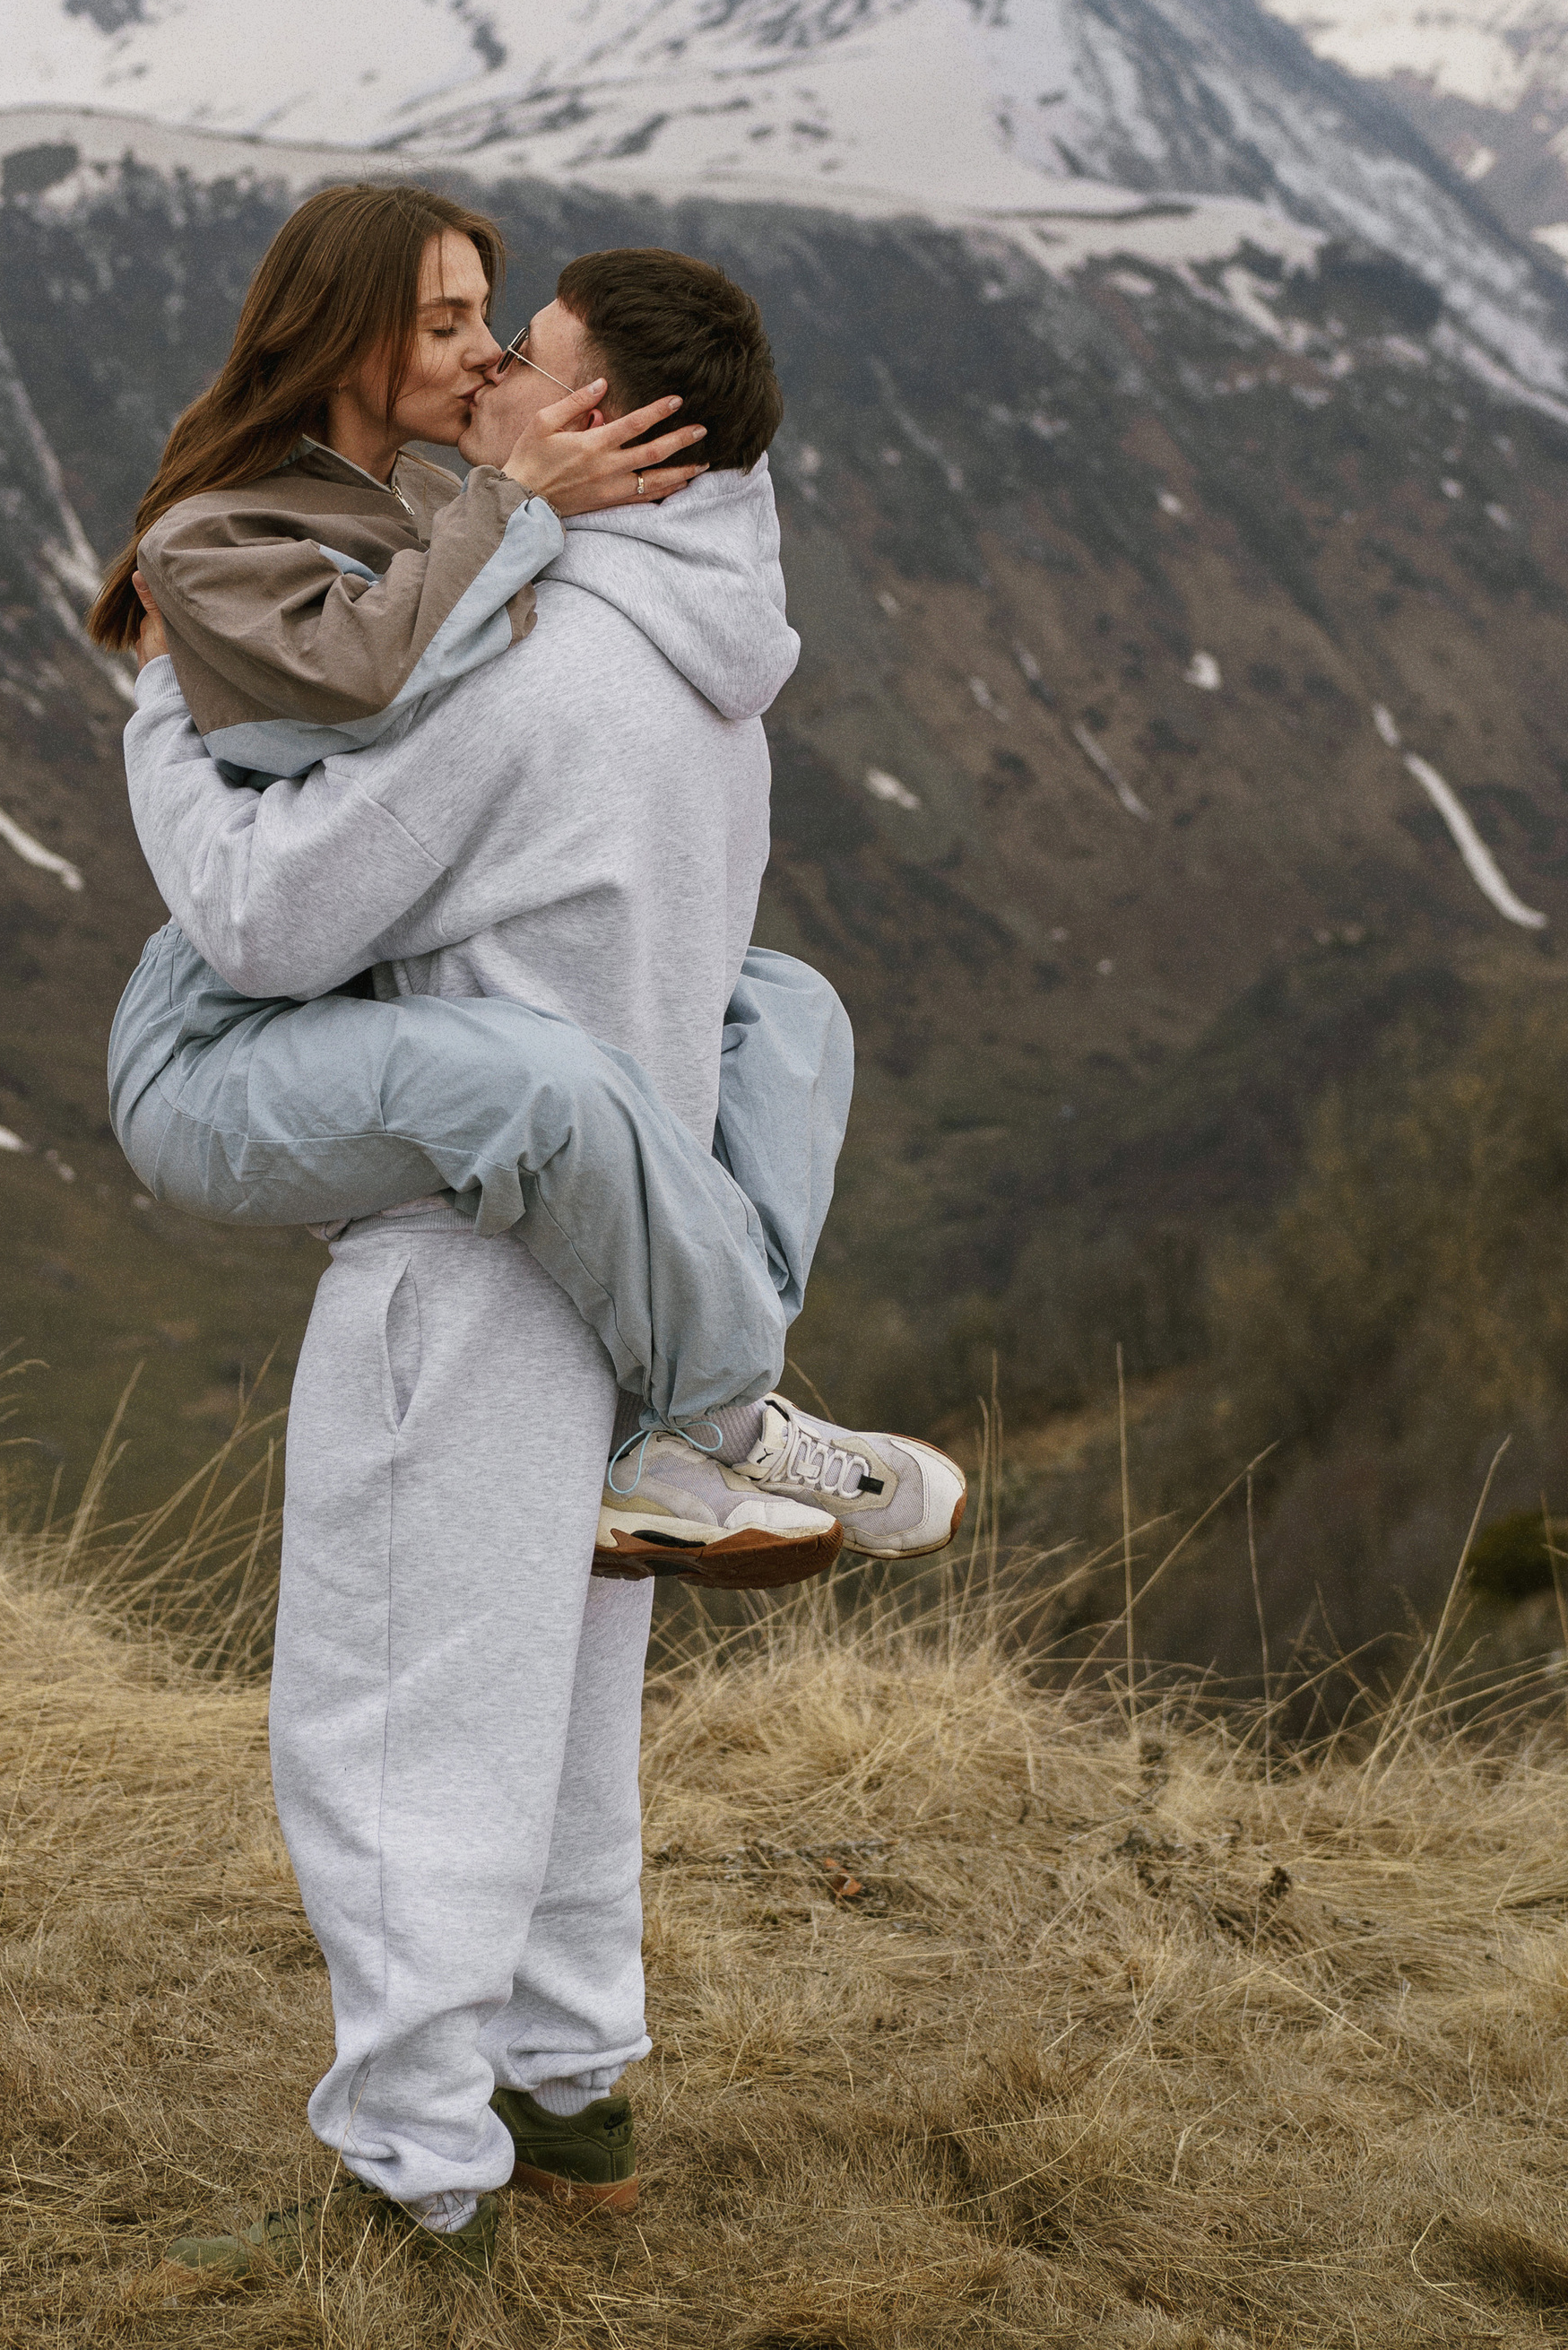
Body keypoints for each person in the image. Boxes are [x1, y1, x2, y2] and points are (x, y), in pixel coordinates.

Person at [100, 193, 962, 2286]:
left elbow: (285, 916)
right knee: (567, 1718)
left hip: (468, 1250)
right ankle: (576, 2111)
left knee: (400, 1722)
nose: (492, 373)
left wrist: (157, 727)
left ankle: (410, 2187)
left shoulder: (530, 666)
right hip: (626, 1232)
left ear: (618, 425)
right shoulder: (716, 679)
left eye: (526, 349)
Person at [94, 183, 963, 1568]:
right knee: (543, 1079)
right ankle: (726, 1412)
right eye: (447, 324)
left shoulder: (440, 499)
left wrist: (634, 492)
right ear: (341, 335)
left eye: (496, 326)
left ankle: (700, 1378)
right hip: (222, 1022)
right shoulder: (216, 537)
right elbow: (368, 700)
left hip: (341, 976)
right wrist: (520, 502)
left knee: (783, 1011)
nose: (489, 357)